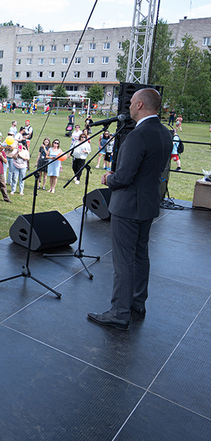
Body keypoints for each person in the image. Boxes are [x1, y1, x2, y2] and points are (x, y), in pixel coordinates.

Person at [89, 88, 173, 330]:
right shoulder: (165, 133)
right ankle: (137, 303)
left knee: (123, 261)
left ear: (139, 105)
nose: (127, 107)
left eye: (131, 103)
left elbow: (124, 177)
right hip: (148, 203)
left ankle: (119, 312)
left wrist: (108, 179)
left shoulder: (138, 135)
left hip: (128, 206)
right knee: (140, 256)